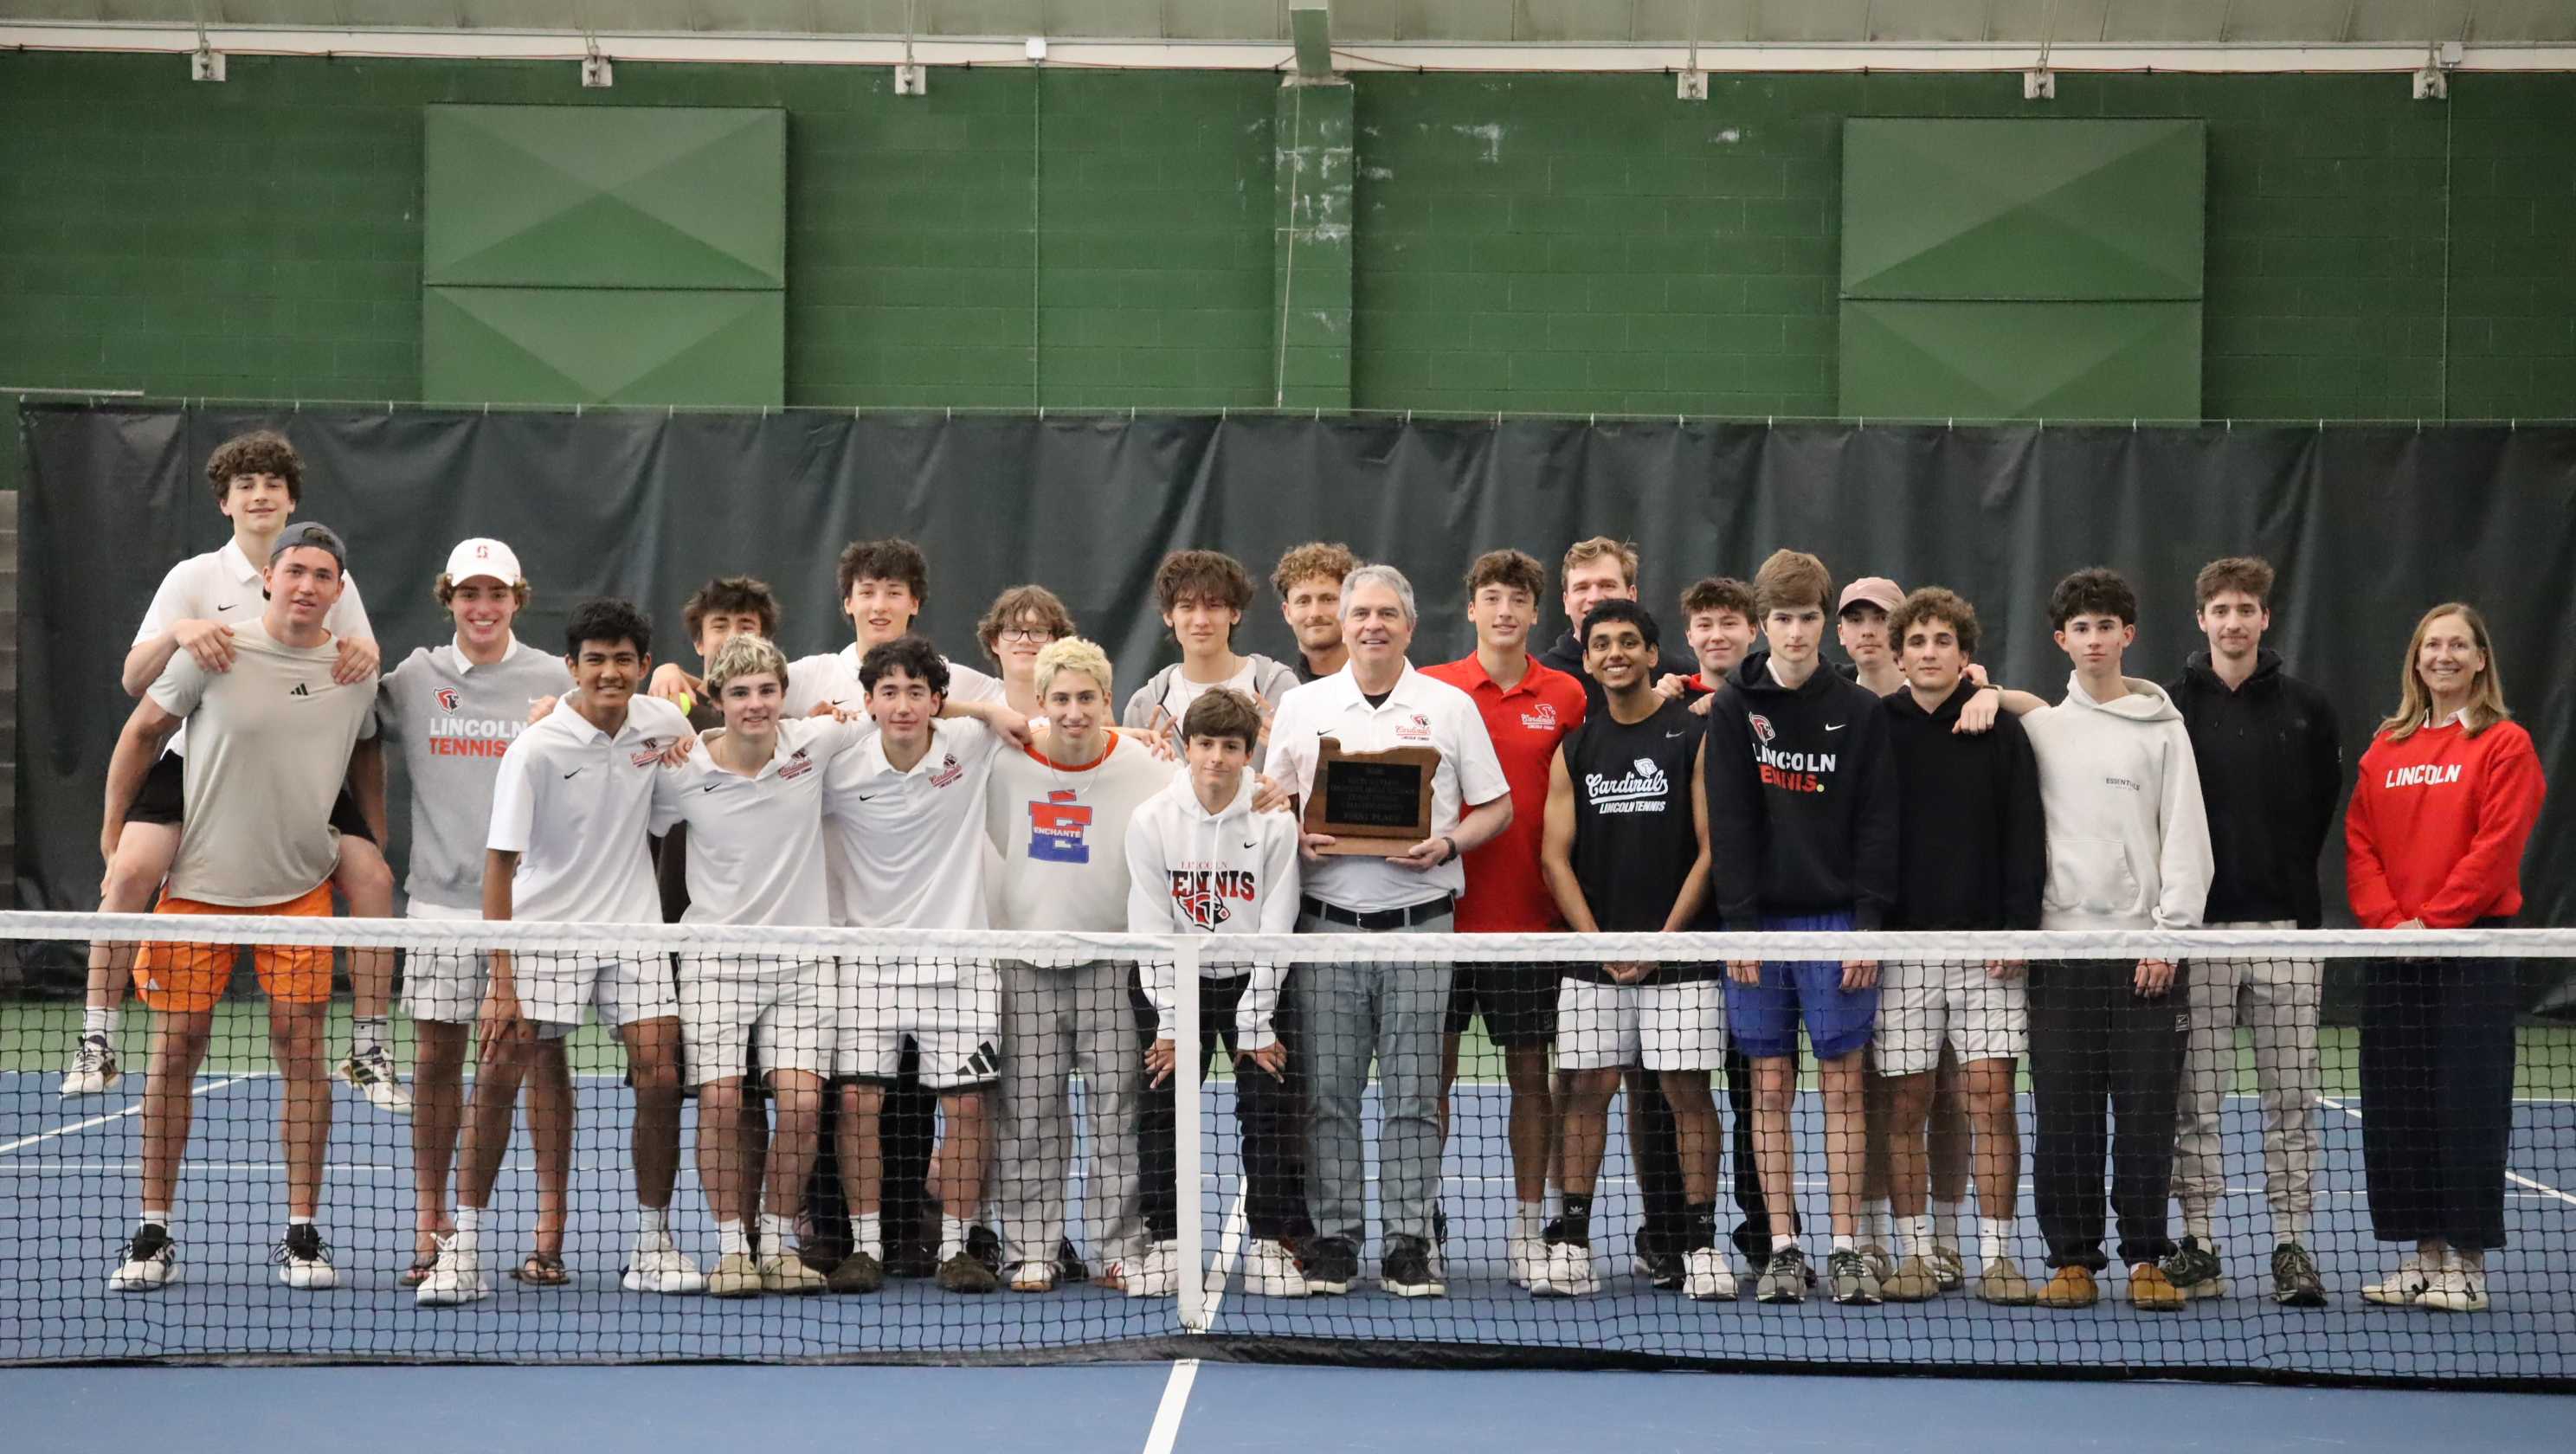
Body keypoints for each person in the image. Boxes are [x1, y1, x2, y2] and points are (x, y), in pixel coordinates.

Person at [70, 432, 398, 1110]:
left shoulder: (332, 576)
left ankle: (370, 1049)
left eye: (272, 484)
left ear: (290, 500)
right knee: (131, 870)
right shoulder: (193, 579)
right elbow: (138, 685)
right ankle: (96, 1040)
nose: (259, 494)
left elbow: (358, 660)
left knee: (373, 877)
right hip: (200, 766)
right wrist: (177, 634)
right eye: (245, 484)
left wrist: (367, 652)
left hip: (299, 771)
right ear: (224, 502)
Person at [104, 523, 379, 1294]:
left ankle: (301, 1232)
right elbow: (141, 732)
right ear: (269, 579)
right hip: (197, 886)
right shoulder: (211, 653)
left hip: (299, 890)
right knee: (177, 1050)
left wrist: (372, 841)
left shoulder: (355, 669)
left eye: (323, 575)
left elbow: (366, 754)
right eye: (295, 571)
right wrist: (110, 830)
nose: (306, 586)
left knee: (302, 1052)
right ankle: (153, 1230)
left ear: (338, 591)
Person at [416, 597, 700, 1306]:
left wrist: (685, 728)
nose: (610, 673)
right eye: (595, 660)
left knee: (661, 1075)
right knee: (500, 1074)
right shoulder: (536, 749)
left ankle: (653, 1242)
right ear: (572, 667)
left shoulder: (662, 723)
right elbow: (498, 865)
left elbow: (694, 736)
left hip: (631, 928)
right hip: (544, 932)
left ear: (640, 666)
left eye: (624, 660)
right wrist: (502, 980)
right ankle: (466, 1248)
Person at [1268, 564, 1512, 1298]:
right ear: (1342, 626)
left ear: (1410, 625)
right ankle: (1338, 1238)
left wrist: (1449, 844)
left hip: (1420, 930)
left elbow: (1494, 807)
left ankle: (1409, 1240)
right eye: (1360, 613)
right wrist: (1291, 831)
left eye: (1387, 613)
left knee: (1411, 1094)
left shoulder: (1450, 706)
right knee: (1329, 1096)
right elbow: (1269, 803)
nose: (1372, 625)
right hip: (1327, 932)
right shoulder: (1303, 706)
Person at [360, 537, 578, 1289]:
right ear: (448, 598)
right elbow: (339, 706)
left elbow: (643, 709)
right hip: (440, 906)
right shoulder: (416, 679)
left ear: (518, 598)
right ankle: (433, 1222)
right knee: (436, 1062)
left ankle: (548, 1230)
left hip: (538, 908)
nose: (483, 608)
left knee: (543, 1058)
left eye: (497, 594)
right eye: (468, 595)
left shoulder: (557, 677)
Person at [1701, 549, 1900, 1307]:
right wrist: (1741, 927)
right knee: (1770, 1085)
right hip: (1758, 931)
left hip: (1837, 924)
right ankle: (1784, 1246)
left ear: (1824, 623)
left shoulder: (1860, 711)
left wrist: (1866, 926)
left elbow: (1879, 823)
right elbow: (1731, 819)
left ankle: (1847, 1247)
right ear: (1762, 623)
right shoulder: (1732, 707)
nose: (1793, 631)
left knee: (1845, 1086)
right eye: (1780, 618)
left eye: (1806, 618)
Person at [2016, 568, 2211, 1313]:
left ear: (2128, 635)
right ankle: (2071, 1261)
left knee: (2146, 1117)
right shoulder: (2039, 732)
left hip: (2146, 961)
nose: (2094, 640)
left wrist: (2168, 941)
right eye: (2080, 628)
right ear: (2061, 640)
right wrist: (1984, 690)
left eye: (2107, 626)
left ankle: (2145, 1260)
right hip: (2061, 959)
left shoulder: (2165, 732)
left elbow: (2187, 842)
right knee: (2063, 1117)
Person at [650, 633, 861, 1297]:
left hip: (803, 964)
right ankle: (728, 1250)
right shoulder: (681, 769)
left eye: (767, 690)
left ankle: (774, 1243)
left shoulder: (813, 743)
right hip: (716, 963)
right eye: (740, 693)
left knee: (801, 1104)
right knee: (719, 1099)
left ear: (782, 695)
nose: (756, 704)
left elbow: (910, 720)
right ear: (716, 700)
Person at [2347, 603, 2545, 1316]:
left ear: (2481, 659)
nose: (2444, 656)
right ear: (2416, 659)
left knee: (2466, 1106)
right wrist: (2391, 923)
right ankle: (2423, 1260)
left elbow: (2497, 847)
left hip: (2471, 950)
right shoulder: (2386, 748)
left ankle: (2467, 1265)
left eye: (2459, 645)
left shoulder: (2505, 744)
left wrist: (2437, 920)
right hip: (2397, 950)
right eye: (2432, 645)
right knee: (2398, 1106)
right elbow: (2360, 841)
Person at [2162, 557, 2343, 1308]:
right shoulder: (2167, 708)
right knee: (2195, 1104)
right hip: (2198, 938)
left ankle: (2290, 1244)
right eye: (2220, 609)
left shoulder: (2308, 709)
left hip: (2287, 936)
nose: (2233, 621)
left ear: (2265, 618)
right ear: (2200, 619)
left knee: (2290, 1101)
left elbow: (2321, 808)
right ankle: (2199, 1243)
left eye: (2246, 608)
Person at [1536, 600, 1727, 1301]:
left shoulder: (1690, 735)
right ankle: (1573, 1240)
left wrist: (1660, 942)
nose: (1614, 653)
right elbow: (1556, 858)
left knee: (1686, 1095)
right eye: (1601, 645)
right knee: (1584, 1093)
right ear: (1585, 661)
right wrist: (1603, 944)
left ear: (1653, 655)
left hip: (1680, 957)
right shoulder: (1575, 747)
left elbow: (1710, 852)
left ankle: (1702, 1243)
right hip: (1596, 959)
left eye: (1628, 643)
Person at [820, 635, 1017, 1296]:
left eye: (917, 693)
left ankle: (957, 1249)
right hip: (866, 972)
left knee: (967, 1111)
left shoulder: (971, 746)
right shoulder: (837, 765)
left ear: (938, 701)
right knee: (856, 1103)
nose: (902, 706)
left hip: (960, 969)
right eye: (888, 692)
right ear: (868, 700)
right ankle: (866, 1248)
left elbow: (1060, 723)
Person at [1874, 588, 2045, 1306]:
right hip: (1903, 954)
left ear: (1965, 655)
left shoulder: (2000, 730)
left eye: (1943, 641)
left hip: (1988, 950)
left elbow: (2023, 834)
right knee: (1907, 1103)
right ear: (1900, 654)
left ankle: (1999, 1257)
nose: (1930, 652)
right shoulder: (1876, 726)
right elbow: (1867, 837)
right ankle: (1916, 1252)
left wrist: (2016, 932)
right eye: (1917, 641)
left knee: (1991, 1099)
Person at [1421, 549, 1587, 1290]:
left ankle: (1527, 1233)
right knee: (1432, 1082)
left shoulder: (1570, 696)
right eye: (1492, 597)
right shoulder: (1433, 688)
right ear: (1471, 608)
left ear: (1535, 612)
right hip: (1437, 921)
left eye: (1519, 599)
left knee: (1532, 1080)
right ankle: (1420, 1224)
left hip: (1530, 924)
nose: (1506, 611)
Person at [983, 638, 1167, 1295]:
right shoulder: (1001, 763)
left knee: (1118, 1116)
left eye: (1086, 698)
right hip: (1025, 967)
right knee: (1027, 1115)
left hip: (1114, 970)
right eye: (1060, 698)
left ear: (1106, 702)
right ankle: (1032, 1248)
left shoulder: (1147, 763)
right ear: (1040, 703)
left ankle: (1120, 1246)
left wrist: (1259, 790)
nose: (1073, 711)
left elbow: (1203, 796)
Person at [1125, 689, 1311, 1299]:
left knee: (1269, 1107)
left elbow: (1277, 927)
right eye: (1205, 744)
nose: (1216, 759)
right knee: (1161, 1107)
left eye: (1231, 747)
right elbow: (1150, 929)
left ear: (1248, 750)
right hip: (1173, 980)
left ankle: (1267, 1244)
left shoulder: (1275, 822)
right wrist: (1171, 1025)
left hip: (1255, 980)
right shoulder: (1151, 820)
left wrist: (1256, 1024)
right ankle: (1170, 1243)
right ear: (1187, 748)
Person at [1123, 550, 1300, 770]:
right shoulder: (1145, 705)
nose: (1201, 621)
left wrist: (1292, 752)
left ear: (1235, 613)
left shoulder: (1280, 690)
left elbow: (1306, 783)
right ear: (1169, 615)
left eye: (1213, 606)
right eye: (1187, 606)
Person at [1658, 575, 1757, 714]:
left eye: (1729, 624)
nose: (1717, 636)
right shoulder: (1668, 700)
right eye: (1704, 625)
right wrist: (1651, 702)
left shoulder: (1773, 698)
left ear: (1752, 632)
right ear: (1690, 636)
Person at [976, 583, 1077, 718]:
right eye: (1013, 630)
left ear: (1058, 643)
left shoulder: (1076, 718)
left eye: (1037, 631)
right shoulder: (974, 693)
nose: (1024, 640)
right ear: (995, 643)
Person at [1271, 542, 1357, 683]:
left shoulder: (1388, 685)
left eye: (1328, 599)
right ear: (1287, 612)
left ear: (1351, 604)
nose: (1315, 613)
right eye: (1303, 601)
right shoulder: (1277, 693)